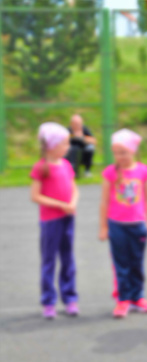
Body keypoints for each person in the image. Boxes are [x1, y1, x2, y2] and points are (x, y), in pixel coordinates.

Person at [99, 129, 147, 319]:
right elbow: (105, 201)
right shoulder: (110, 173)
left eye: (123, 152)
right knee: (121, 264)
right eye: (116, 153)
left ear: (133, 151)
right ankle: (123, 299)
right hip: (117, 226)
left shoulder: (143, 171)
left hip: (137, 225)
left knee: (137, 263)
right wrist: (104, 227)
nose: (119, 156)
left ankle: (138, 297)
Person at [30, 122, 80, 319]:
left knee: (68, 259)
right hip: (51, 222)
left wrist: (73, 202)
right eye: (65, 143)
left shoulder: (66, 165)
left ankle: (70, 299)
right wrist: (61, 205)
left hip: (68, 218)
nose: (68, 147)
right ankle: (49, 301)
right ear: (52, 145)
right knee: (49, 260)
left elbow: (74, 188)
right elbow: (35, 196)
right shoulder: (41, 167)